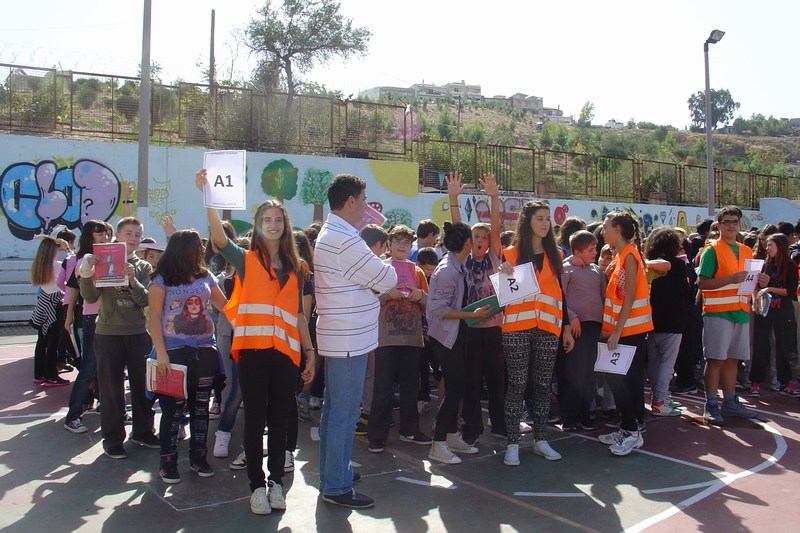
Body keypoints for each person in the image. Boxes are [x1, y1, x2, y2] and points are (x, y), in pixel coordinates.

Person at [196, 169, 316, 515]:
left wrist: (310, 352)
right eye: (267, 220)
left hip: (286, 355)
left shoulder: (297, 267)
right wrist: (209, 198)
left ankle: (276, 482)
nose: (273, 225)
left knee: (280, 419)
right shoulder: (246, 260)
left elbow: (298, 315)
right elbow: (220, 240)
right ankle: (256, 486)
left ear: (286, 225)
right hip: (251, 352)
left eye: (278, 220)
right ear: (258, 225)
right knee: (255, 418)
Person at [314, 174, 397, 509]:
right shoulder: (345, 239)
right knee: (344, 413)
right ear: (350, 200)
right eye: (363, 199)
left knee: (335, 410)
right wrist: (382, 267)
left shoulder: (335, 233)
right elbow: (386, 278)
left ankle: (334, 473)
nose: (365, 205)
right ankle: (336, 485)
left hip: (343, 336)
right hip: (348, 338)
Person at [149, 229, 228, 484]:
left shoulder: (205, 276)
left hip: (204, 350)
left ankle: (199, 457)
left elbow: (224, 305)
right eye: (197, 247)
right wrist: (161, 353)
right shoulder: (161, 280)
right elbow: (154, 319)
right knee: (172, 410)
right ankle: (168, 461)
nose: (202, 250)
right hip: (173, 351)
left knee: (200, 408)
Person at [499, 201, 575, 466]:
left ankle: (541, 439)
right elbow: (503, 288)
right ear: (527, 221)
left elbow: (560, 292)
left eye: (547, 219)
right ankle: (512, 443)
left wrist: (566, 327)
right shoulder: (510, 253)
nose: (545, 224)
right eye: (539, 218)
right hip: (516, 327)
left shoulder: (557, 253)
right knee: (517, 385)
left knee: (543, 385)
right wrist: (502, 271)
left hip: (548, 328)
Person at [79, 217, 158, 459]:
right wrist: (86, 272)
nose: (133, 239)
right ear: (118, 236)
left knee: (143, 386)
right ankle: (112, 439)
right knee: (111, 389)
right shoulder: (103, 260)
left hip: (137, 332)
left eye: (137, 235)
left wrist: (132, 280)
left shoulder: (144, 266)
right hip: (108, 333)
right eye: (128, 234)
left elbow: (146, 300)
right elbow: (90, 297)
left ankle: (143, 431)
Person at [426, 221, 493, 464]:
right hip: (445, 337)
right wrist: (471, 315)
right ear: (467, 243)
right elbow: (438, 308)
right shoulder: (448, 270)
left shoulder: (457, 264)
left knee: (459, 387)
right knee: (454, 390)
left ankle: (451, 435)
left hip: (454, 334)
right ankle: (438, 443)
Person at [447, 171, 506, 442]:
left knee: (496, 380)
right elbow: (457, 227)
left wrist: (494, 198)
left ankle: (500, 424)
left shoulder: (494, 258)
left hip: (493, 328)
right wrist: (453, 199)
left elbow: (495, 227)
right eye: (476, 237)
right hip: (470, 328)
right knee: (471, 381)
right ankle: (472, 427)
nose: (481, 240)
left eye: (484, 237)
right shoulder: (463, 259)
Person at [698, 206, 768, 425]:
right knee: (715, 359)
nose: (731, 226)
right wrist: (730, 279)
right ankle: (711, 403)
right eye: (727, 222)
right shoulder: (712, 250)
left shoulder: (746, 251)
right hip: (718, 312)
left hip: (740, 311)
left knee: (732, 360)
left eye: (734, 222)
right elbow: (702, 283)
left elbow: (749, 282)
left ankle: (729, 402)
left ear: (740, 224)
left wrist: (761, 282)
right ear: (719, 225)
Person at [368, 224, 430, 453]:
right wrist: (386, 295)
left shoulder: (417, 272)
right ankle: (377, 435)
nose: (402, 246)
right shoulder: (380, 268)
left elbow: (430, 304)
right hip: (385, 338)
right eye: (398, 241)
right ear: (389, 244)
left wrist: (420, 295)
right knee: (382, 388)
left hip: (412, 338)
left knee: (411, 387)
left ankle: (410, 430)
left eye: (406, 242)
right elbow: (368, 301)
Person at [596, 211, 654, 456]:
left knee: (621, 380)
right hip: (622, 330)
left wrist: (617, 332)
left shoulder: (630, 255)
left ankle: (632, 431)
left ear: (618, 229)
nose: (603, 231)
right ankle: (627, 427)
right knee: (615, 379)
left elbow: (629, 297)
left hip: (630, 331)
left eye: (606, 226)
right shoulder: (621, 255)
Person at [63, 220, 113, 433]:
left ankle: (107, 406)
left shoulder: (112, 255)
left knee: (109, 366)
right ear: (89, 236)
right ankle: (73, 416)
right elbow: (76, 289)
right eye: (100, 233)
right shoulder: (83, 260)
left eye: (107, 233)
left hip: (112, 316)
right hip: (93, 317)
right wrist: (68, 316)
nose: (105, 237)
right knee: (89, 367)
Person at [558, 230, 605, 431]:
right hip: (575, 328)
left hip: (594, 327)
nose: (595, 252)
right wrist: (571, 317)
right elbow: (559, 296)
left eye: (595, 248)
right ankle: (570, 416)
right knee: (573, 372)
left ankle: (587, 413)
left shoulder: (597, 271)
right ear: (577, 252)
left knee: (589, 372)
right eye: (590, 250)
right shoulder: (565, 269)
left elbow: (603, 297)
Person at [644, 227, 692, 416]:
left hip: (651, 319)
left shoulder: (648, 265)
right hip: (673, 320)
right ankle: (660, 400)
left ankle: (659, 397)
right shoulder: (677, 265)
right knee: (667, 363)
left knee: (654, 362)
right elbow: (685, 292)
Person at [749, 233, 799, 397]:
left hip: (783, 311)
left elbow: (790, 292)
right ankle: (755, 382)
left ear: (781, 246)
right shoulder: (764, 264)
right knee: (760, 345)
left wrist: (769, 288)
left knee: (783, 347)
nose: (767, 247)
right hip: (764, 310)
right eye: (767, 244)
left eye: (771, 245)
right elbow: (755, 287)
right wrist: (757, 297)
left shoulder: (790, 266)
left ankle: (785, 382)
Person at [30, 235, 71, 387]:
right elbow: (72, 267)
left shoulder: (39, 265)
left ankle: (39, 374)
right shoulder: (57, 265)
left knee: (42, 340)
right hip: (55, 303)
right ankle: (51, 376)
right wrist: (68, 249)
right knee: (53, 342)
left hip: (44, 301)